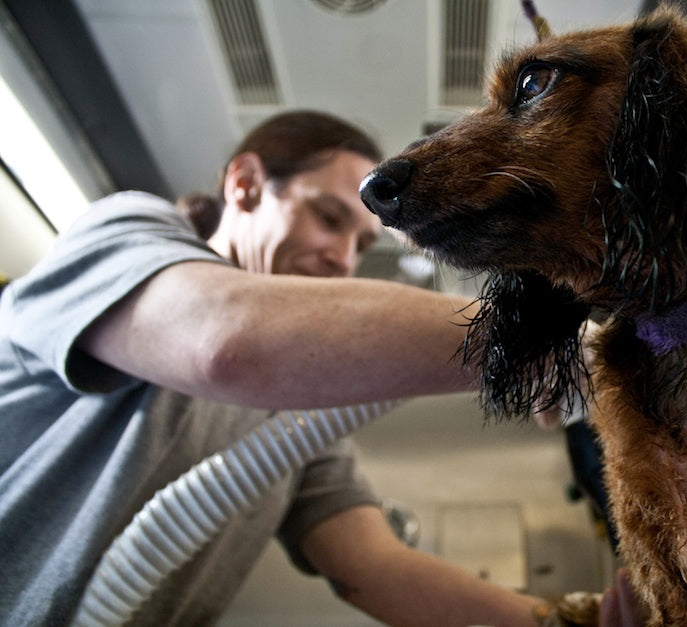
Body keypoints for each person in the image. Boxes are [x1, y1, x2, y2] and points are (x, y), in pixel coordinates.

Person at [0, 110, 561, 626]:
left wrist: (562, 620)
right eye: (327, 217)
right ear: (244, 183)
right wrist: (539, 340)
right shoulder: (126, 231)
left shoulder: (302, 414)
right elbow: (224, 340)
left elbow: (374, 567)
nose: (342, 257)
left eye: (361, 242)